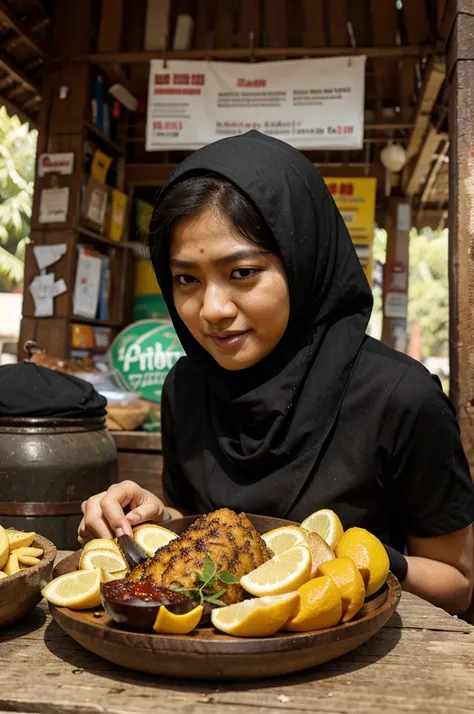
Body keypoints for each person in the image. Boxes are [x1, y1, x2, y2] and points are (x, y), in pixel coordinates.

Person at [80, 131, 474, 615]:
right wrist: (160, 518)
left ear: (303, 264)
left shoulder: (401, 397)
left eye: (242, 272)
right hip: (198, 664)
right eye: (186, 279)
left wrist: (349, 556)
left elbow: (458, 582)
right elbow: (204, 531)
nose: (213, 309)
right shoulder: (186, 386)